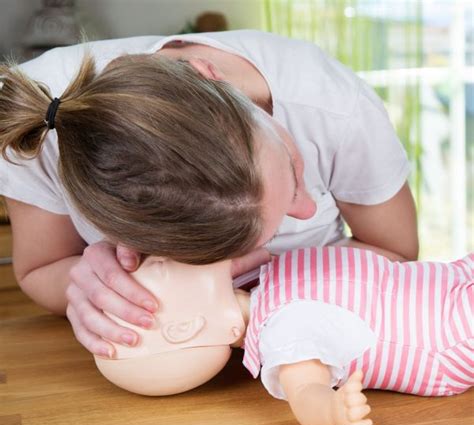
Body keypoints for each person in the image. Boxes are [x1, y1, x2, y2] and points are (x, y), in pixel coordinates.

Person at [0, 31, 418, 359]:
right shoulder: (37, 123)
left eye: (291, 167)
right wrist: (86, 283)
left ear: (209, 73)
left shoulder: (336, 106)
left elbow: (398, 253)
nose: (307, 210)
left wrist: (275, 284)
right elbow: (40, 270)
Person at [93, 246, 473, 425]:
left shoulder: (263, 283)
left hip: (450, 278)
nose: (162, 252)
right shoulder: (282, 331)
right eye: (158, 266)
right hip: (449, 332)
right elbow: (306, 391)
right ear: (184, 328)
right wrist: (333, 411)